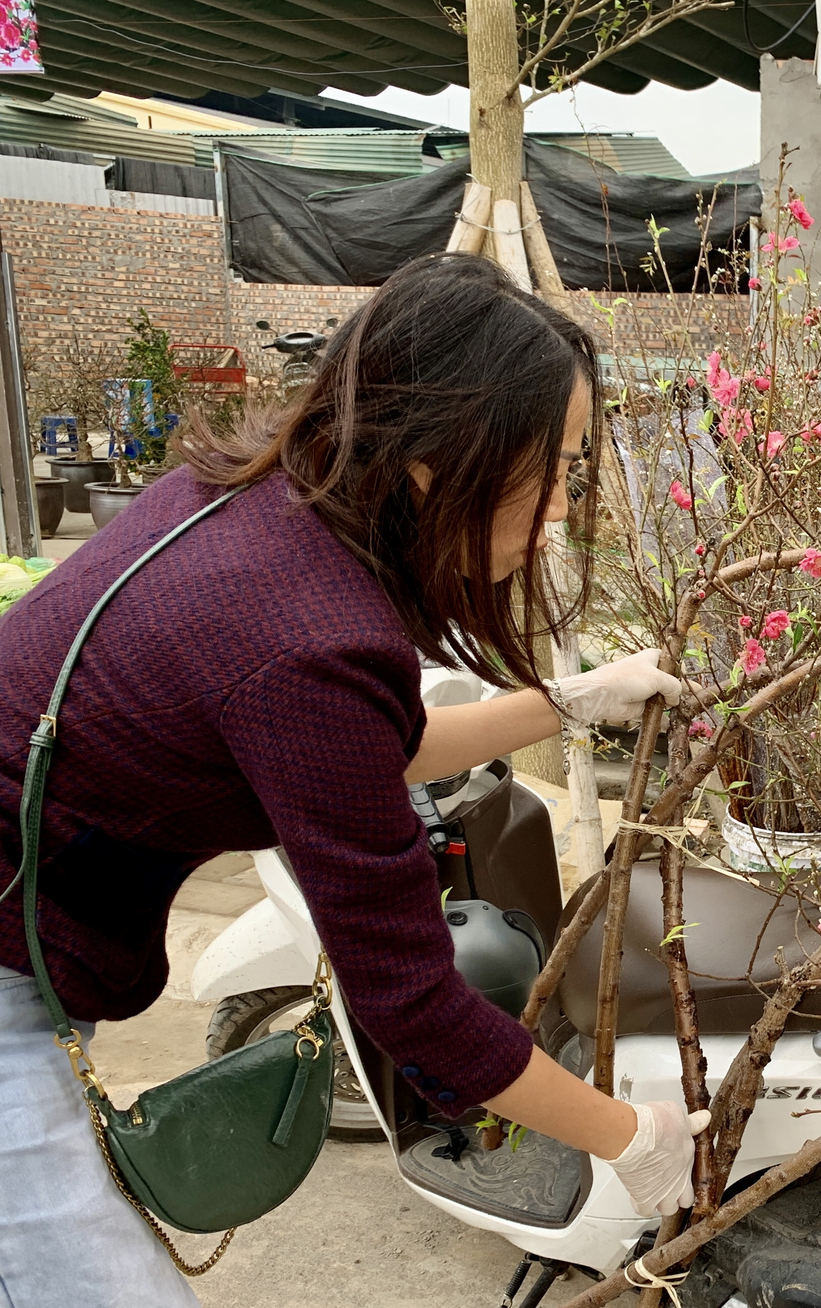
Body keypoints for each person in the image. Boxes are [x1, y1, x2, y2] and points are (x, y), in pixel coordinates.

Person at [0, 254, 705, 1306]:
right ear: (431, 456)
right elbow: (411, 999)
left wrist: (572, 699)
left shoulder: (253, 508)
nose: (563, 504)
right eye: (550, 466)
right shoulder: (307, 642)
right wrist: (630, 1138)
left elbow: (360, 750)